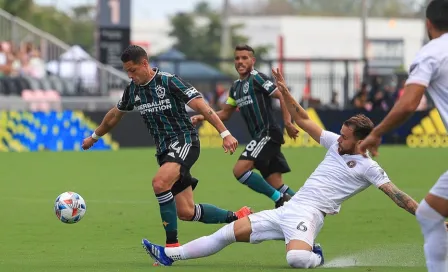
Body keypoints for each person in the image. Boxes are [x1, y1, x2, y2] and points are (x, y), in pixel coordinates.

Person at [141, 68, 421, 268]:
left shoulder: (369, 168)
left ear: (360, 141)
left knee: (297, 259)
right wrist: (285, 92)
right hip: (290, 208)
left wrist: (429, 217)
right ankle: (169, 255)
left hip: (311, 215)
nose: (339, 139)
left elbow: (399, 196)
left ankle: (316, 256)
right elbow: (302, 119)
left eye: (346, 137)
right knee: (226, 234)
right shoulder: (336, 143)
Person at [81, 45, 252, 248]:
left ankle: (171, 247)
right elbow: (114, 116)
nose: (130, 75)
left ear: (144, 63)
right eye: (127, 71)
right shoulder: (133, 90)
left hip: (185, 141)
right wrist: (94, 136)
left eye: (132, 70)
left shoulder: (169, 81)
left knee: (160, 183)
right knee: (187, 212)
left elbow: (201, 106)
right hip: (164, 151)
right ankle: (238, 217)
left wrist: (225, 133)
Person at [359, 1, 448, 271]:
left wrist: (376, 133)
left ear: (428, 24)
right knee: (430, 213)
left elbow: (408, 104)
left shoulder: (431, 53)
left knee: (430, 215)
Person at [191, 45, 299, 208]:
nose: (240, 61)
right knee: (277, 184)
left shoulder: (257, 78)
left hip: (268, 133)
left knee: (239, 171)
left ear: (252, 61)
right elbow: (226, 114)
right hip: (260, 137)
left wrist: (288, 123)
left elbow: (282, 95)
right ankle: (308, 205)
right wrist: (202, 116)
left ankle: (279, 199)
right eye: (237, 58)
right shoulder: (235, 88)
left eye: (244, 58)